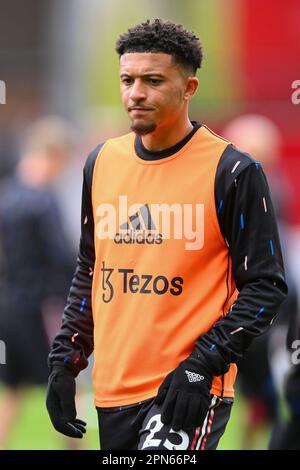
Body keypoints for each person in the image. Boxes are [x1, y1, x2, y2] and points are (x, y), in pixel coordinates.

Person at [46, 19, 288, 451]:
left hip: (186, 388)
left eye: (153, 80)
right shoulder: (101, 162)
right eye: (127, 79)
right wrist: (65, 361)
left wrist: (202, 366)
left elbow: (266, 287)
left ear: (189, 87)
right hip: (114, 388)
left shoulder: (234, 171)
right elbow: (91, 268)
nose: (135, 93)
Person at [0, 116, 76, 448]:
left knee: (13, 391)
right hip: (42, 308)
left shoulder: (6, 196)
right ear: (54, 155)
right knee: (62, 383)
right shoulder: (43, 201)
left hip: (9, 305)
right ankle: (76, 446)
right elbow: (62, 257)